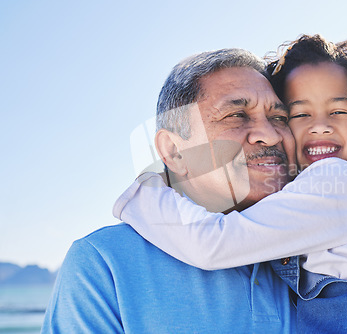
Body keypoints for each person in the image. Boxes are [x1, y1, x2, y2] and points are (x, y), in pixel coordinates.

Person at [114, 35, 347, 333]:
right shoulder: (312, 201)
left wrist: (147, 192)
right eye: (298, 115)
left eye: (339, 111)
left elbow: (212, 244)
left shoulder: (339, 181)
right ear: (172, 149)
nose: (320, 127)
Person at [42, 49, 298, 333]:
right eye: (236, 115)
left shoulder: (325, 250)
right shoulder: (104, 263)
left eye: (279, 117)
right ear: (174, 152)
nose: (271, 134)